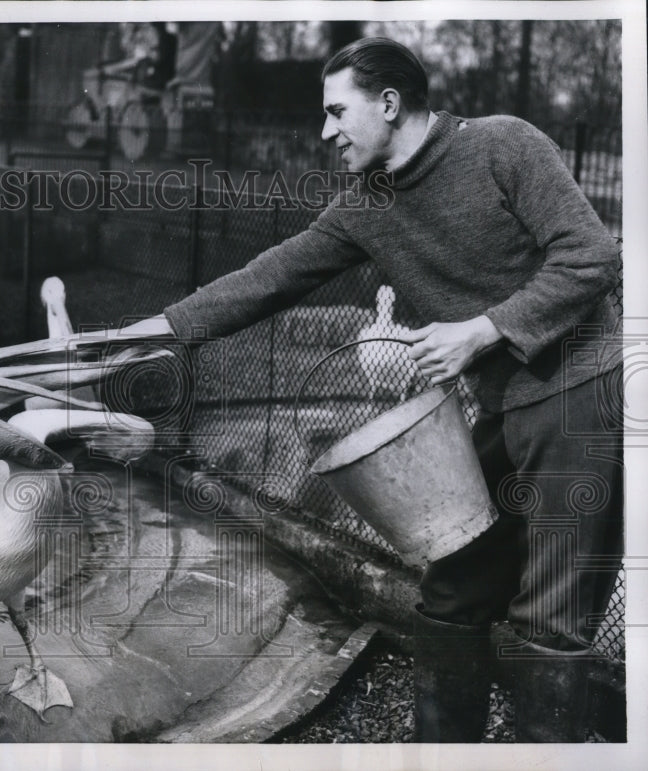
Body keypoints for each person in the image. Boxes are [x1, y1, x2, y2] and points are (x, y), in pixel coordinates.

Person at [97, 37, 624, 742]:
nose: (325, 131)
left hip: (579, 391)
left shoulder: (506, 145)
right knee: (454, 589)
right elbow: (270, 276)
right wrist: (152, 330)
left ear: (388, 103)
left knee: (549, 618)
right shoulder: (367, 203)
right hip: (505, 403)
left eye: (336, 111)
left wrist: (482, 330)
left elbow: (592, 256)